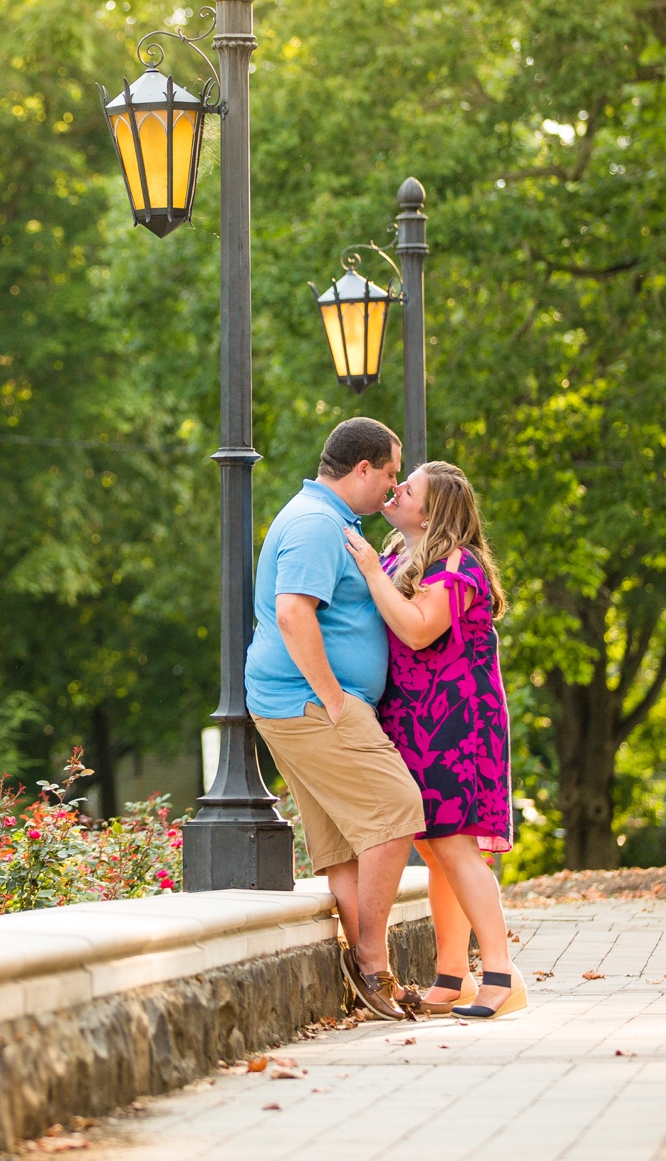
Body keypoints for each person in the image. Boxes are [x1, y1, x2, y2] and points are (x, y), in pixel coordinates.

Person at [245, 417, 424, 1021]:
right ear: (363, 468)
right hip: (308, 701)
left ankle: (372, 969)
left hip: (296, 700)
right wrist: (336, 699)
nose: (393, 488)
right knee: (400, 809)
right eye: (391, 474)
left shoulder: (325, 519)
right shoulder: (318, 523)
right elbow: (294, 613)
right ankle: (372, 962)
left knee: (346, 846)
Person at [343, 460, 524, 1020]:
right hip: (413, 718)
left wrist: (373, 574)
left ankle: (502, 975)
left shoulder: (458, 566)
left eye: (409, 487)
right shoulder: (402, 555)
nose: (396, 491)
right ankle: (454, 975)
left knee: (454, 842)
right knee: (432, 843)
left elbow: (419, 627)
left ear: (434, 509)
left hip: (457, 721)